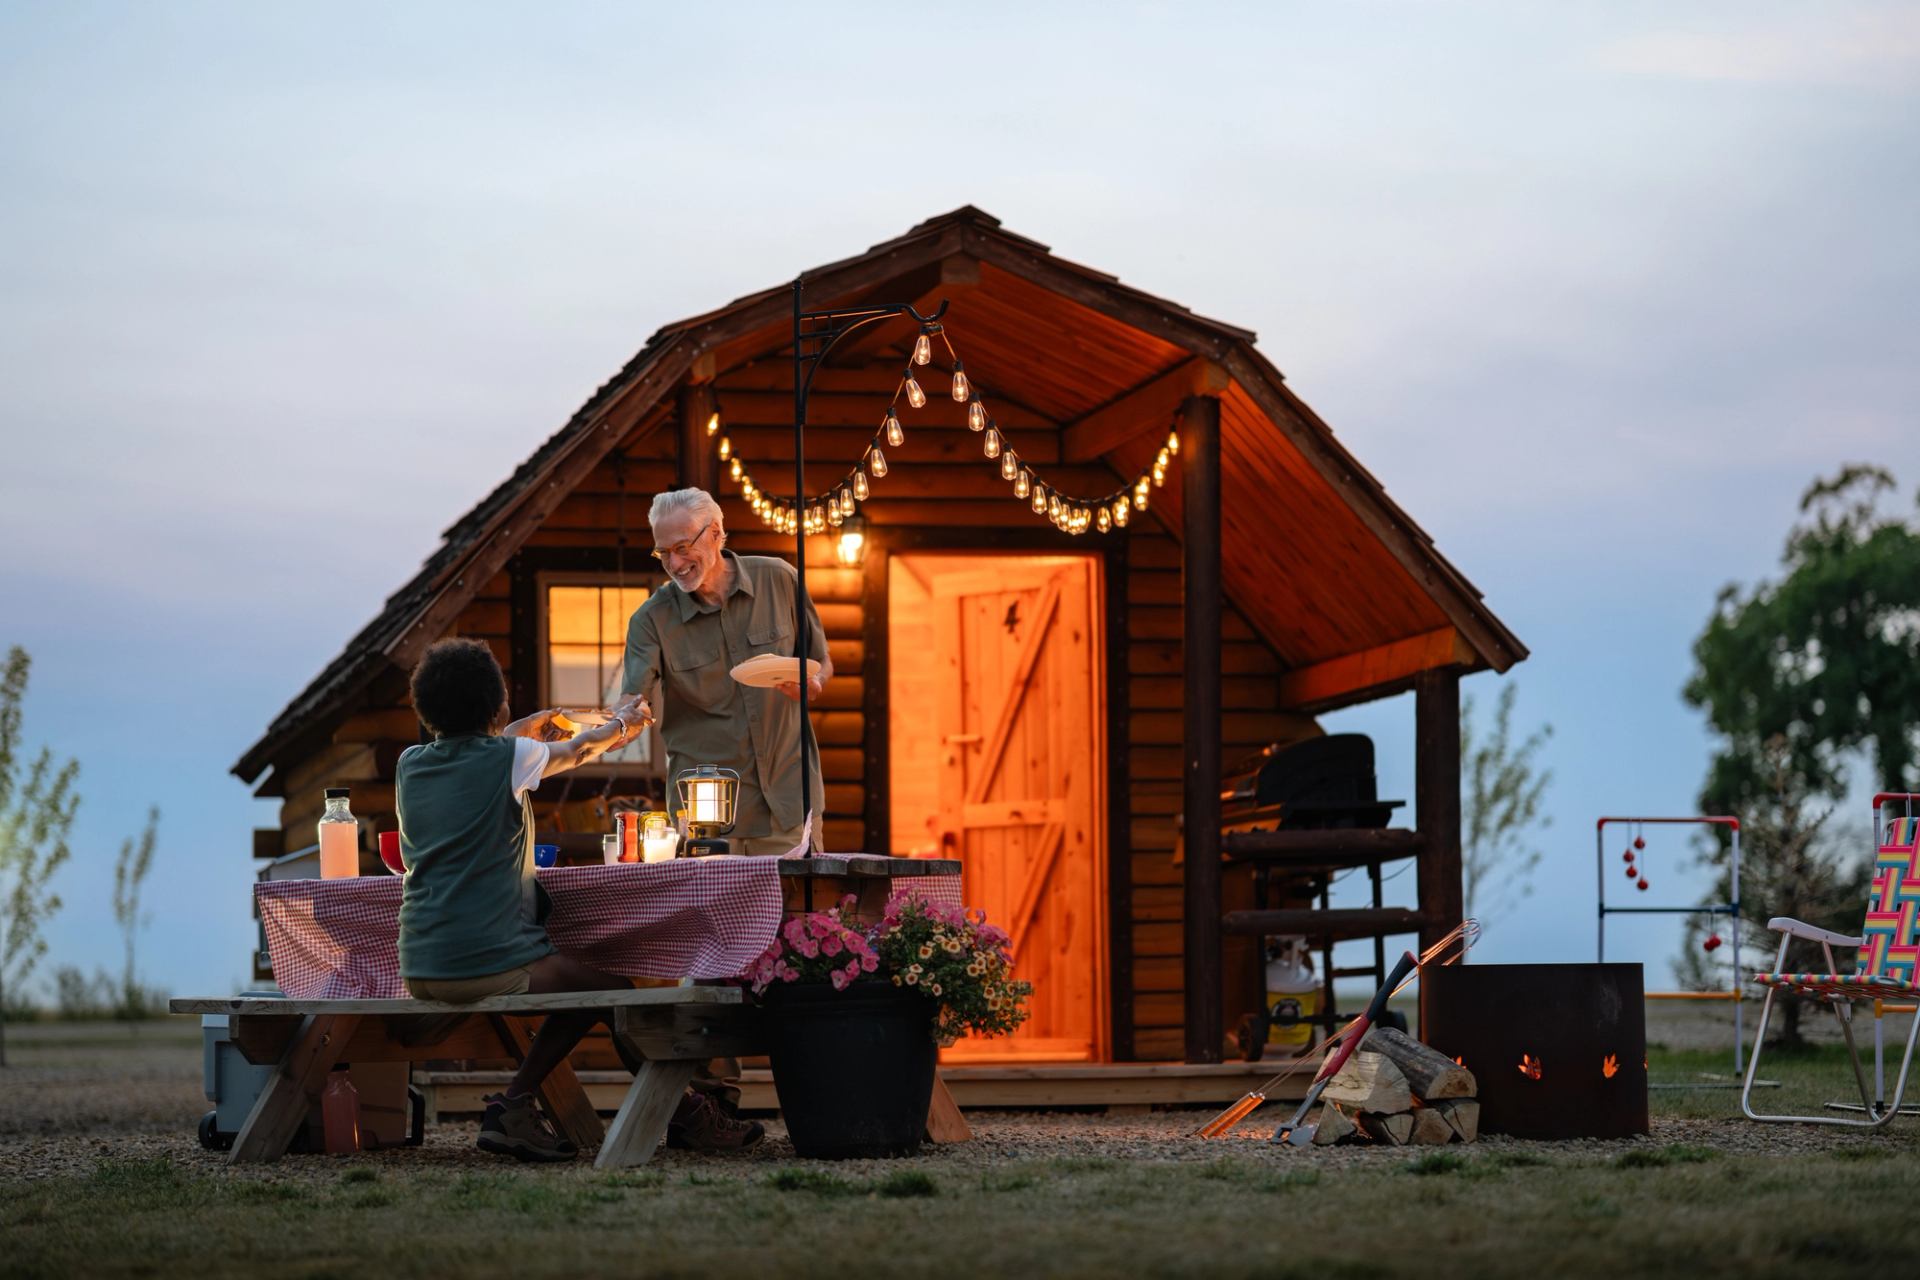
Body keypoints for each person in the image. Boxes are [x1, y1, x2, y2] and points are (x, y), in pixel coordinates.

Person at [396, 637, 762, 1161]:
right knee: (610, 990)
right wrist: (621, 726)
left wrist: (532, 724)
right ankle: (676, 1114)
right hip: (479, 959)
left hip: (418, 960)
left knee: (587, 988)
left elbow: (479, 749)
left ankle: (520, 1107)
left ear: (426, 708)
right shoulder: (510, 757)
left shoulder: (411, 764)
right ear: (496, 705)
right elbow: (575, 751)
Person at [622, 487, 830, 855]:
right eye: (664, 552)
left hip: (789, 802)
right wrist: (624, 721)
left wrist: (812, 683)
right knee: (711, 915)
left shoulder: (780, 580)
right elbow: (633, 699)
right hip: (707, 816)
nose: (674, 562)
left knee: (796, 912)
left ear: (716, 532)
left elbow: (820, 662)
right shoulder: (651, 619)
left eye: (683, 547)